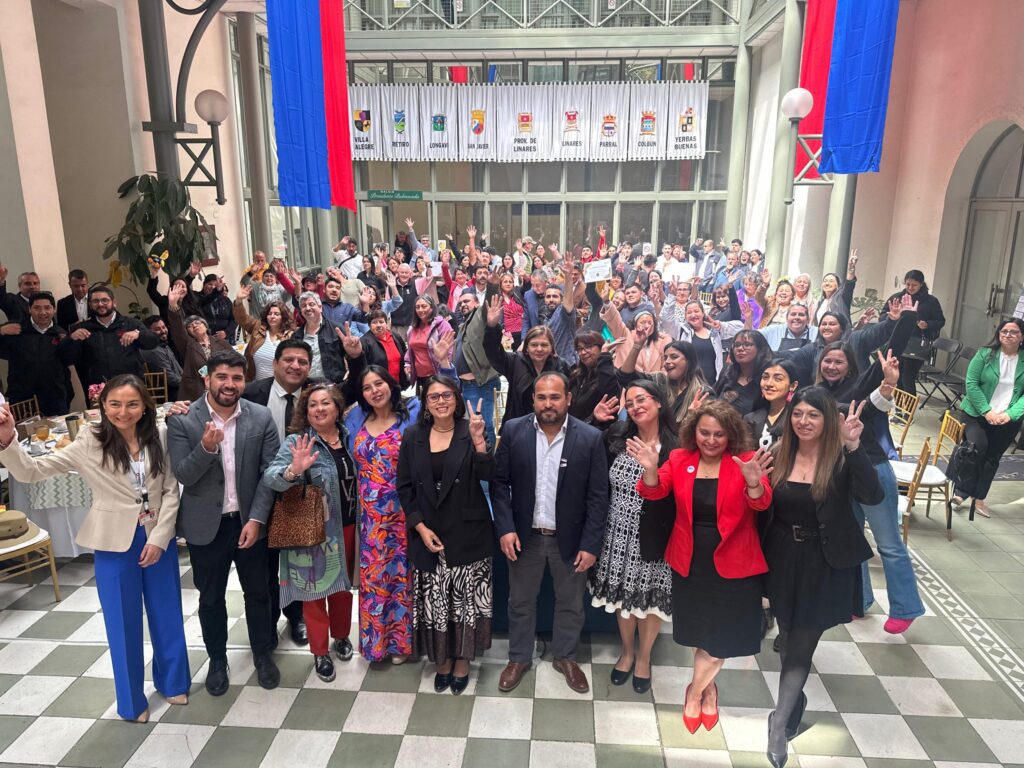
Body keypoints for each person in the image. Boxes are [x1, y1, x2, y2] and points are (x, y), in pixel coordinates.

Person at [0, 375, 189, 722]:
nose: (123, 412)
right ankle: (131, 701)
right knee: (122, 622)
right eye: (114, 404)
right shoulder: (90, 440)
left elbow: (170, 489)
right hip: (114, 541)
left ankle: (174, 681)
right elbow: (32, 471)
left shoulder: (159, 435)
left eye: (132, 404)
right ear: (103, 405)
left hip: (156, 536)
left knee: (167, 612)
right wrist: (8, 439)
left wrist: (160, 538)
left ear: (145, 406)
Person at [634, 399, 773, 733]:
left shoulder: (746, 461)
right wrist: (651, 469)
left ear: (731, 435)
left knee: (720, 640)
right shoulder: (680, 459)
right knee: (702, 634)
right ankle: (709, 690)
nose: (711, 440)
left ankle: (694, 693)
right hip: (691, 561)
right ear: (693, 432)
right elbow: (654, 491)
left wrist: (754, 483)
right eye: (704, 433)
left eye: (719, 434)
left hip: (736, 563)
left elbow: (762, 503)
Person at [763, 390, 882, 767]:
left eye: (813, 415)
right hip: (783, 558)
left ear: (828, 419)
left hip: (823, 563)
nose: (804, 421)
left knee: (801, 645)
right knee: (787, 637)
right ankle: (794, 701)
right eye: (798, 414)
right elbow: (762, 505)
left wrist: (854, 446)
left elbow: (873, 495)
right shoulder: (779, 453)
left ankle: (778, 725)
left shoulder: (840, 458)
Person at [167, 351, 282, 695]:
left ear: (244, 381)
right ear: (207, 379)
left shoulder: (260, 417)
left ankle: (263, 653)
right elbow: (183, 474)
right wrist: (205, 448)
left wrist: (257, 518)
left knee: (259, 593)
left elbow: (270, 474)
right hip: (206, 525)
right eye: (222, 377)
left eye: (236, 378)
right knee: (211, 598)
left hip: (249, 522)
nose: (229, 384)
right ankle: (217, 660)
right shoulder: (183, 420)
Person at [491, 372, 609, 694]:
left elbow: (598, 497)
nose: (548, 404)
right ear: (533, 400)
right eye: (541, 397)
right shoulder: (514, 430)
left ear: (568, 398)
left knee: (570, 603)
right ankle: (519, 658)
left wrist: (591, 544)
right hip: (525, 537)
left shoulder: (589, 438)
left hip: (569, 541)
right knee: (520, 602)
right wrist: (505, 528)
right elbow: (499, 484)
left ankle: (565, 657)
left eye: (555, 397)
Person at [397, 377, 494, 694]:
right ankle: (442, 658)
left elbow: (490, 476)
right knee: (436, 601)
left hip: (467, 532)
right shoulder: (413, 436)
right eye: (434, 396)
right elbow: (404, 486)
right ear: (425, 402)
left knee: (465, 601)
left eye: (447, 395)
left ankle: (462, 659)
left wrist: (479, 444)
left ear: (457, 398)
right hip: (429, 532)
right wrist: (420, 527)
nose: (441, 401)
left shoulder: (472, 429)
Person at [264, 383, 357, 681]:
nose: (319, 409)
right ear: (305, 412)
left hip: (350, 526)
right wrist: (293, 470)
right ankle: (319, 652)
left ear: (337, 407)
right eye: (312, 405)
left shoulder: (350, 437)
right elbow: (271, 478)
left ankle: (341, 635)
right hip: (313, 531)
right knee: (313, 592)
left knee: (342, 587)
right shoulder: (298, 441)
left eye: (325, 403)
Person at [589, 382, 677, 694]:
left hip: (656, 533)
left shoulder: (676, 444)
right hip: (617, 532)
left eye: (642, 400)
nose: (635, 407)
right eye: (630, 403)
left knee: (650, 600)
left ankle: (644, 657)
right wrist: (596, 420)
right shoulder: (617, 435)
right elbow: (585, 451)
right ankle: (627, 652)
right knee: (622, 599)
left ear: (659, 402)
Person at [242, 338, 315, 647]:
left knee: (297, 560)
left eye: (302, 361)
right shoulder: (250, 394)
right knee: (264, 563)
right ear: (274, 364)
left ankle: (296, 617)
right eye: (289, 359)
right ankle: (267, 624)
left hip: (299, 492)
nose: (295, 366)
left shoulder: (315, 394)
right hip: (259, 489)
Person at [345, 365, 421, 662]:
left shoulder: (411, 414)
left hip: (404, 512)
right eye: (367, 387)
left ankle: (401, 645)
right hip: (370, 517)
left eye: (379, 383)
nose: (374, 391)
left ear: (390, 385)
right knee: (375, 580)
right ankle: (377, 645)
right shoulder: (355, 418)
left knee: (403, 578)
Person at [953, 318, 1024, 518]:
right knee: (976, 449)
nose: (1007, 335)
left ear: (1022, 337)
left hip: (1007, 418)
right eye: (1004, 331)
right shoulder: (985, 354)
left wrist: (1010, 414)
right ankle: (961, 492)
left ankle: (979, 498)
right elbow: (971, 383)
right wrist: (987, 411)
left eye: (1013, 332)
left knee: (992, 458)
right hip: (977, 413)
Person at [484, 298, 571, 430]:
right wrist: (492, 328)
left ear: (552, 347)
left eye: (544, 345)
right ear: (527, 348)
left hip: (551, 427)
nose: (539, 349)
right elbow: (493, 353)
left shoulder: (561, 366)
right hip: (519, 428)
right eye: (534, 345)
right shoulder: (514, 362)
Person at [0, 292, 76, 415]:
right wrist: (1, 331)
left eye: (47, 308)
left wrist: (73, 341)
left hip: (55, 397)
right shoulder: (16, 330)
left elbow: (70, 360)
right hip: (22, 397)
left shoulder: (61, 334)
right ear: (29, 309)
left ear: (54, 310)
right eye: (37, 308)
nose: (42, 312)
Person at [67, 286, 158, 387]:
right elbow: (67, 358)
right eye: (96, 301)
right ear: (90, 305)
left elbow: (153, 342)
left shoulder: (131, 324)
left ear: (114, 302)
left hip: (131, 385)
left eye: (104, 300)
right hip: (99, 388)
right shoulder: (81, 328)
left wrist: (139, 334)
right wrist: (71, 340)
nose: (100, 304)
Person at [619, 340, 709, 428]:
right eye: (665, 358)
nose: (667, 361)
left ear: (689, 361)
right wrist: (637, 345)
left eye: (674, 357)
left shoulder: (703, 393)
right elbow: (625, 377)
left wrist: (691, 417)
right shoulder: (659, 381)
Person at [167, 283, 234, 401]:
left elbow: (236, 360)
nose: (194, 325)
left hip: (222, 388)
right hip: (197, 393)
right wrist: (173, 305)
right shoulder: (188, 345)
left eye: (197, 323)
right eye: (190, 326)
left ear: (206, 326)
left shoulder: (221, 343)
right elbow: (178, 329)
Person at [887, 269, 946, 395]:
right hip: (898, 342)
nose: (910, 288)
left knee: (907, 378)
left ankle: (909, 407)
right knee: (897, 378)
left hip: (917, 344)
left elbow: (940, 321)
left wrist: (927, 324)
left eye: (914, 285)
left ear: (921, 284)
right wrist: (892, 318)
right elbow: (883, 315)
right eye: (907, 284)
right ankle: (898, 406)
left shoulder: (931, 301)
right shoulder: (897, 297)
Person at [661, 299, 742, 384]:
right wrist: (672, 296)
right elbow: (666, 319)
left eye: (696, 311)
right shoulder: (682, 331)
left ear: (703, 313)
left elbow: (740, 327)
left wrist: (721, 326)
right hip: (689, 383)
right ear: (685, 316)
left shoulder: (714, 332)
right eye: (689, 313)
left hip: (713, 383)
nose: (693, 315)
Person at [233, 284, 296, 381]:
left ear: (283, 317)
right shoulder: (258, 328)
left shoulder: (290, 335)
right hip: (257, 383)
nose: (272, 316)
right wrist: (238, 301)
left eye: (276, 314)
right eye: (270, 314)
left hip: (281, 384)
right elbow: (243, 319)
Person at [744, 358, 800, 449]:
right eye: (765, 377)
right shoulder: (750, 418)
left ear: (793, 386)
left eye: (778, 379)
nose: (769, 384)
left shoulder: (799, 418)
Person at [715, 330, 774, 415]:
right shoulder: (728, 371)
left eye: (747, 345)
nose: (740, 349)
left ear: (760, 349)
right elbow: (713, 395)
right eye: (737, 345)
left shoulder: (767, 378)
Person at [406, 295, 455, 391]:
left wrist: (444, 371)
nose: (420, 310)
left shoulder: (442, 325)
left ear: (432, 307)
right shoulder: (412, 327)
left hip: (438, 375)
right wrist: (408, 364)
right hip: (419, 377)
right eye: (417, 307)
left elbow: (448, 352)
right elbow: (410, 349)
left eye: (424, 306)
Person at [568, 330, 619, 422]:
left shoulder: (609, 374)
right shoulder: (576, 375)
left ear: (601, 348)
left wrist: (604, 357)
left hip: (597, 427)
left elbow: (608, 394)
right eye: (579, 349)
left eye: (588, 347)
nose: (583, 352)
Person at [297, 291, 348, 383]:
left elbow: (350, 354)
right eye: (304, 306)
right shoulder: (297, 335)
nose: (308, 308)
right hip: (307, 386)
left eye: (311, 304)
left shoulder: (336, 329)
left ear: (320, 307)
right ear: (301, 311)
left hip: (334, 385)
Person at [141, 316, 184, 401]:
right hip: (168, 394)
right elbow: (171, 379)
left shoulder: (162, 344)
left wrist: (188, 378)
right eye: (157, 329)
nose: (163, 331)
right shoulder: (153, 350)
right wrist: (189, 383)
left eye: (163, 327)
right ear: (148, 332)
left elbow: (178, 370)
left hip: (177, 387)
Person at [813, 250, 858, 325]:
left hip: (841, 332)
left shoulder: (842, 297)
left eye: (831, 281)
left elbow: (849, 285)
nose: (827, 283)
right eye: (825, 281)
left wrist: (851, 269)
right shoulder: (821, 302)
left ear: (838, 285)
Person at [197, 274, 236, 341]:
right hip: (205, 339)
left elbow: (234, 319)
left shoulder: (226, 300)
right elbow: (207, 300)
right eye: (210, 284)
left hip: (226, 339)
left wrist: (226, 333)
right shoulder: (197, 298)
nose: (213, 287)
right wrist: (217, 291)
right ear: (204, 284)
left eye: (215, 285)